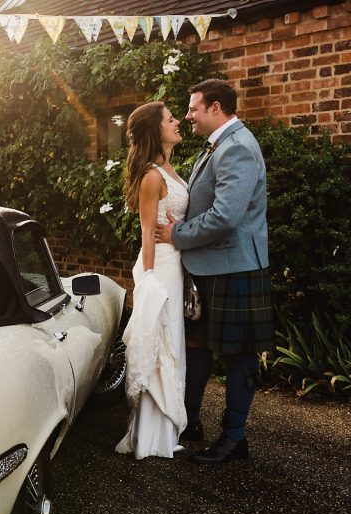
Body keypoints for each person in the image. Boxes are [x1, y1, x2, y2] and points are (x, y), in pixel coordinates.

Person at [156, 79, 272, 463]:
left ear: (215, 108)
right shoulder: (221, 143)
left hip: (234, 267)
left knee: (240, 355)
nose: (187, 115)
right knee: (197, 345)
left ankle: (234, 438)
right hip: (212, 266)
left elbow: (226, 216)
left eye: (193, 108)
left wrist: (178, 233)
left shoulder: (237, 147)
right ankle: (189, 421)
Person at [115, 101, 188, 459]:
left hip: (175, 264)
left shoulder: (169, 168)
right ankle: (152, 435)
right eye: (171, 119)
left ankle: (167, 428)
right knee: (160, 343)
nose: (177, 123)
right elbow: (146, 233)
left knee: (172, 341)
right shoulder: (151, 176)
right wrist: (147, 282)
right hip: (159, 267)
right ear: (155, 130)